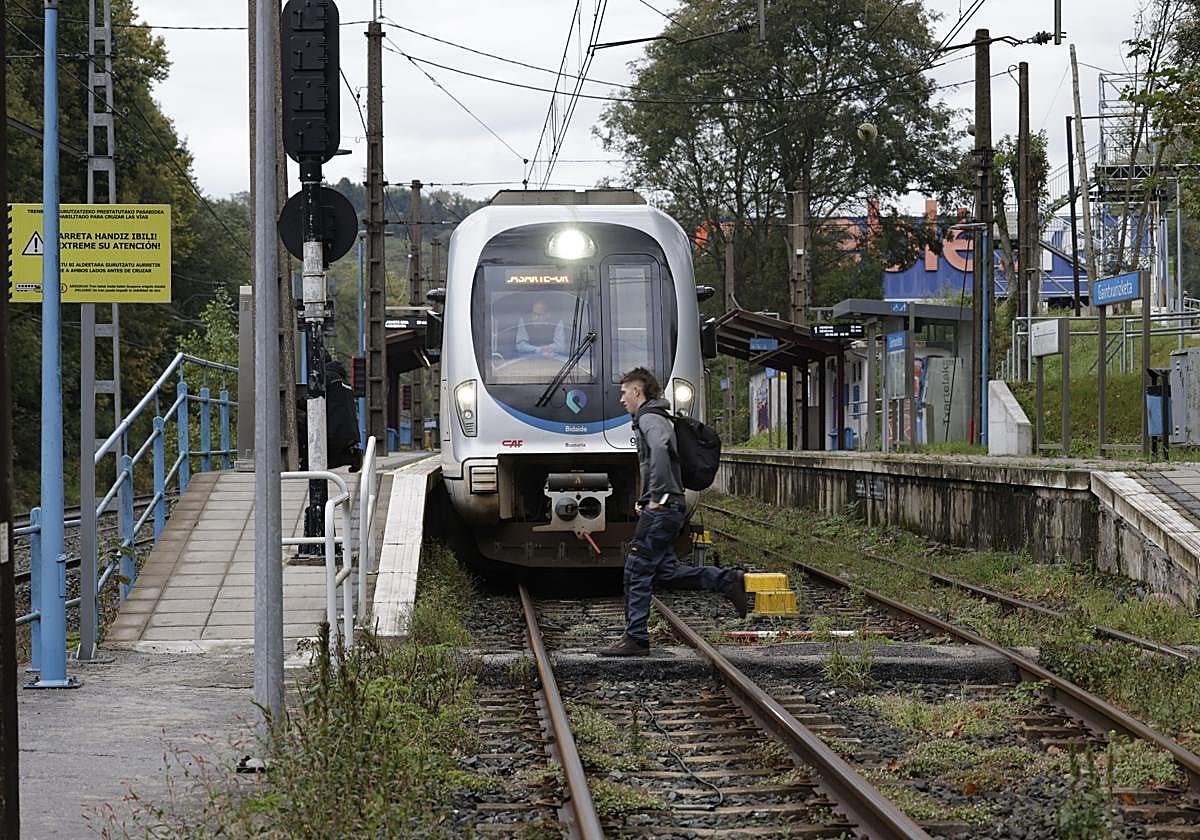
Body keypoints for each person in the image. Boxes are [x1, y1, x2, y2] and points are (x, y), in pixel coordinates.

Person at [599, 367, 746, 657]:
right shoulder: (656, 416)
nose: (621, 399)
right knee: (666, 572)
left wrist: (658, 497)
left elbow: (662, 448)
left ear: (637, 391)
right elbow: (654, 458)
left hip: (665, 506)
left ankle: (636, 638)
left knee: (636, 568)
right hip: (668, 505)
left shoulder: (650, 418)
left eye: (624, 392)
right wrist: (646, 498)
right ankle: (727, 580)